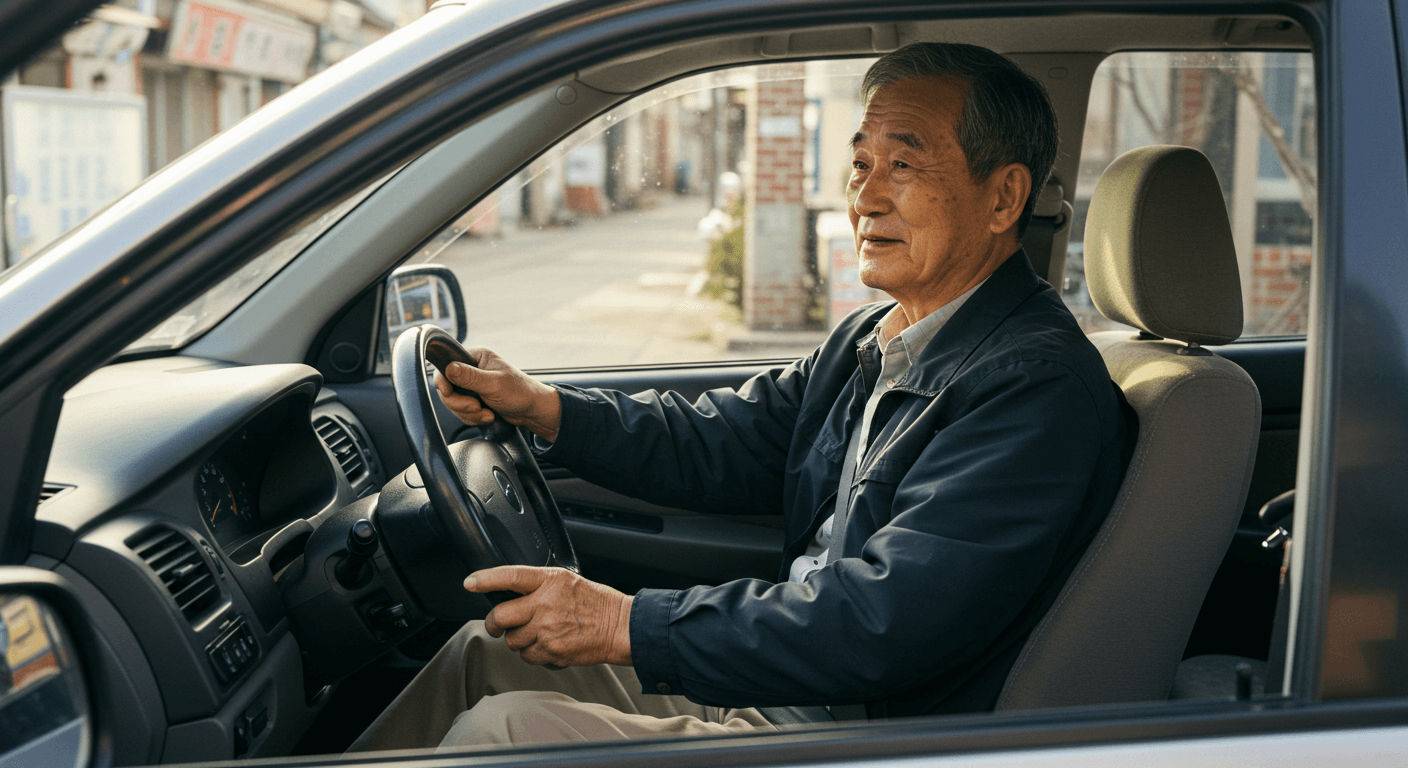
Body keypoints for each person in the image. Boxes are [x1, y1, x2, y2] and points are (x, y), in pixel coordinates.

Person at [350, 42, 1132, 753]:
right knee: (480, 653)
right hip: (795, 690)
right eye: (861, 164)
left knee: (503, 729)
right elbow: (729, 438)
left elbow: (883, 621)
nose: (866, 196)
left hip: (870, 733)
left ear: (1003, 200)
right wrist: (543, 406)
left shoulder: (1033, 389)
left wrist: (624, 622)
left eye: (905, 165)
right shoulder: (879, 338)